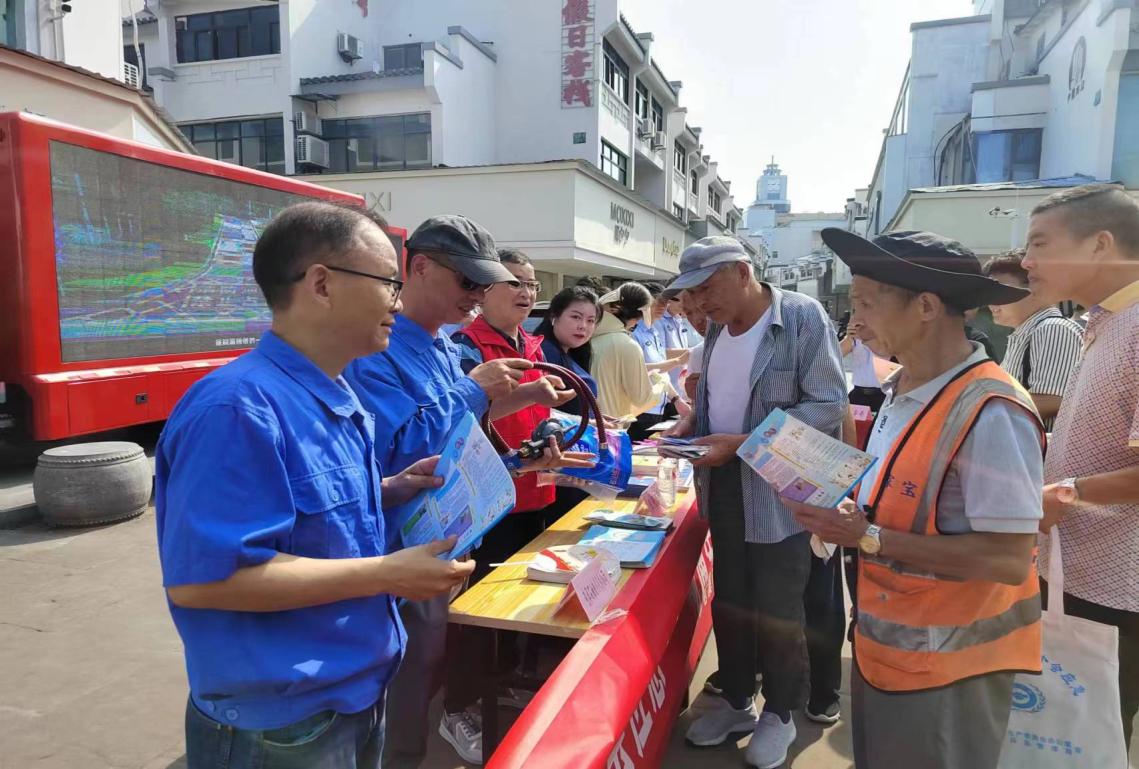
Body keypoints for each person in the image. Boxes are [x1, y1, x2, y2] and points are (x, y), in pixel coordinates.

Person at [155, 202, 476, 769]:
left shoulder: (332, 392)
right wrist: (387, 573)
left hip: (352, 691)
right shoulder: (237, 408)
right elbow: (206, 581)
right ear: (322, 284)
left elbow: (304, 514)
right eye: (388, 283)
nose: (398, 302)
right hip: (281, 724)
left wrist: (388, 487)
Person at [785, 227, 1045, 769]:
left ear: (925, 306)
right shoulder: (901, 389)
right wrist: (857, 516)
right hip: (887, 649)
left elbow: (1007, 559)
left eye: (865, 303)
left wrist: (869, 536)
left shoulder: (991, 409)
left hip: (949, 670)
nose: (855, 321)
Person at [344, 215, 589, 767]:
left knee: (423, 672)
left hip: (443, 540)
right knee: (398, 692)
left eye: (485, 284)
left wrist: (518, 448)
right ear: (418, 268)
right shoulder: (377, 349)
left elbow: (455, 441)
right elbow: (404, 449)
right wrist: (474, 390)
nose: (477, 295)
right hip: (397, 552)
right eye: (468, 282)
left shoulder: (440, 346)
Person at [665, 236, 847, 769]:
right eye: (691, 292)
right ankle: (738, 700)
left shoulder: (801, 317)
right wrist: (691, 425)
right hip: (722, 481)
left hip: (777, 491)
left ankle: (781, 712)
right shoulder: (716, 328)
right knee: (732, 600)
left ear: (743, 272)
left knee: (779, 607)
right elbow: (717, 398)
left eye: (706, 288)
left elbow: (828, 404)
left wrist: (743, 444)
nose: (699, 302)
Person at [1024, 183, 1139, 749]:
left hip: (1119, 583)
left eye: (1040, 243)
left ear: (1100, 244)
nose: (1026, 260)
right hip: (1074, 566)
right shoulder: (1106, 322)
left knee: (1095, 736)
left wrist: (1064, 492)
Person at [982, 249, 1083, 430]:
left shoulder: (1052, 328)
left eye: (1002, 291)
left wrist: (982, 410)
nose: (992, 302)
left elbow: (1054, 400)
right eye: (989, 293)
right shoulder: (1025, 332)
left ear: (1034, 289)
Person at [591, 282, 685, 438]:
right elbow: (642, 399)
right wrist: (662, 382)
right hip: (611, 429)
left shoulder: (593, 337)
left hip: (589, 426)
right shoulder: (627, 344)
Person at [630, 282, 689, 435]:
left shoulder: (654, 333)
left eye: (665, 302)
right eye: (657, 302)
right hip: (639, 410)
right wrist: (677, 361)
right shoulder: (633, 333)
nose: (663, 306)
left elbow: (661, 375)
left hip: (657, 408)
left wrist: (676, 400)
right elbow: (638, 370)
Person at [534, 285, 601, 417]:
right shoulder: (544, 353)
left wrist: (597, 418)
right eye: (576, 317)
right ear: (554, 316)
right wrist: (584, 421)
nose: (583, 326)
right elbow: (536, 409)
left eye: (590, 320)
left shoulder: (571, 353)